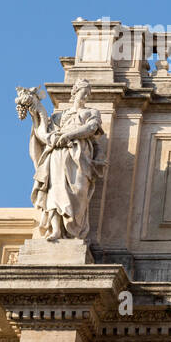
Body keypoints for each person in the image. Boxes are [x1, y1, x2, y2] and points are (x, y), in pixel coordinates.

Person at [23, 78, 107, 240]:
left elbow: (91, 128)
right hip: (58, 154)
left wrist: (69, 135)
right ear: (75, 92)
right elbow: (44, 134)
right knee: (55, 189)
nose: (86, 96)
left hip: (79, 154)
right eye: (84, 92)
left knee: (79, 191)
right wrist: (35, 115)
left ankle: (73, 229)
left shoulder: (92, 113)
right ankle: (56, 230)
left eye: (88, 93)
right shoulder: (59, 116)